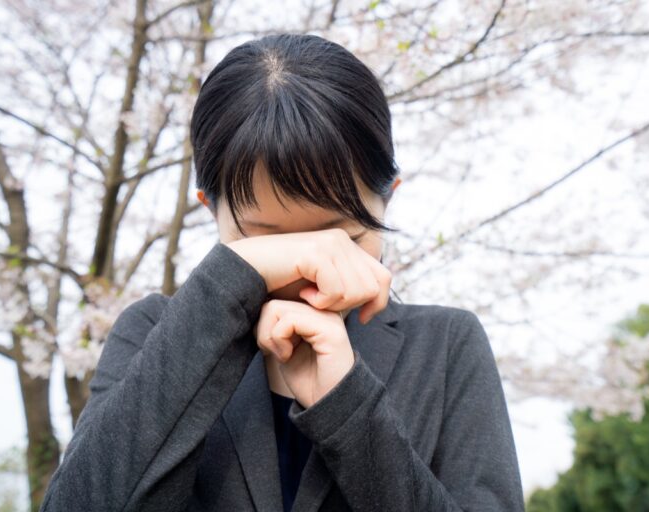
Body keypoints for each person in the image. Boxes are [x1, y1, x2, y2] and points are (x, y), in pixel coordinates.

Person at [41, 33, 525, 511]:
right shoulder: (154, 335)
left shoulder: (444, 347)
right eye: (265, 243)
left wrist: (347, 406)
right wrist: (231, 286)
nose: (304, 272)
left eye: (342, 240)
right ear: (211, 210)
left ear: (389, 196)